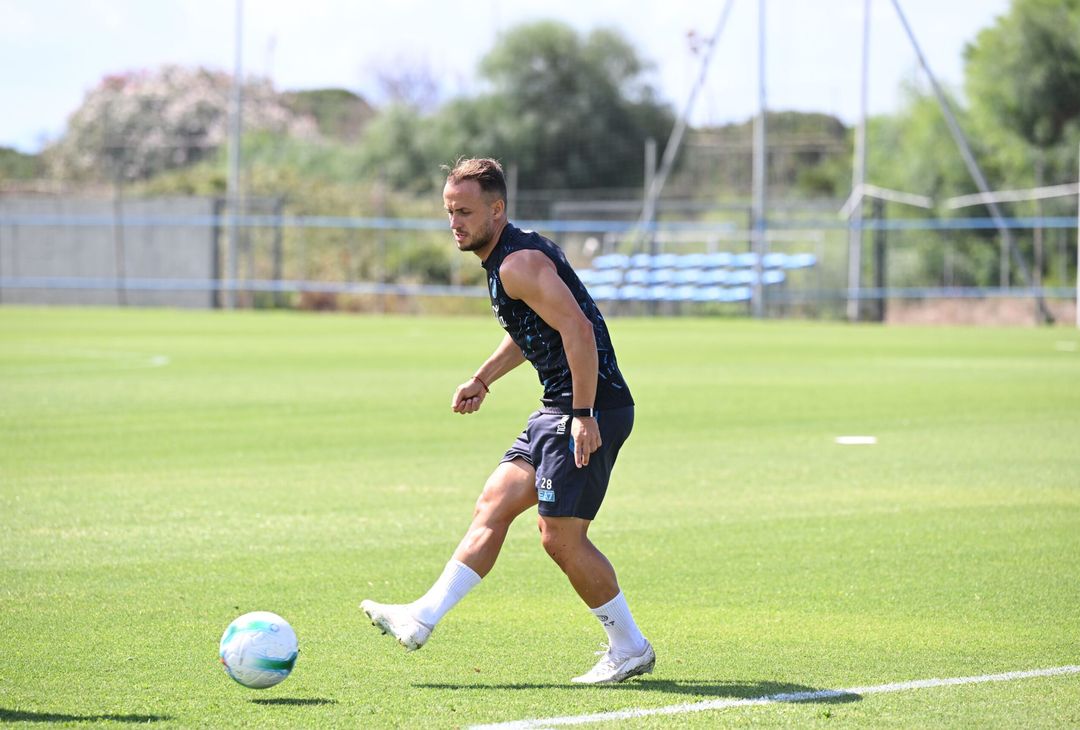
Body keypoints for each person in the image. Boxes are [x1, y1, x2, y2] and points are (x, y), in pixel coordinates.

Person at [361, 157, 653, 684]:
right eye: (450, 212)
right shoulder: (506, 257)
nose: (456, 223)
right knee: (493, 504)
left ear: (497, 209)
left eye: (466, 212)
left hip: (588, 407)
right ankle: (421, 617)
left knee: (560, 537)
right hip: (557, 406)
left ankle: (629, 646)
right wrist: (483, 378)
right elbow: (531, 330)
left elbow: (579, 332)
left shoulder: (519, 264)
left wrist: (584, 415)